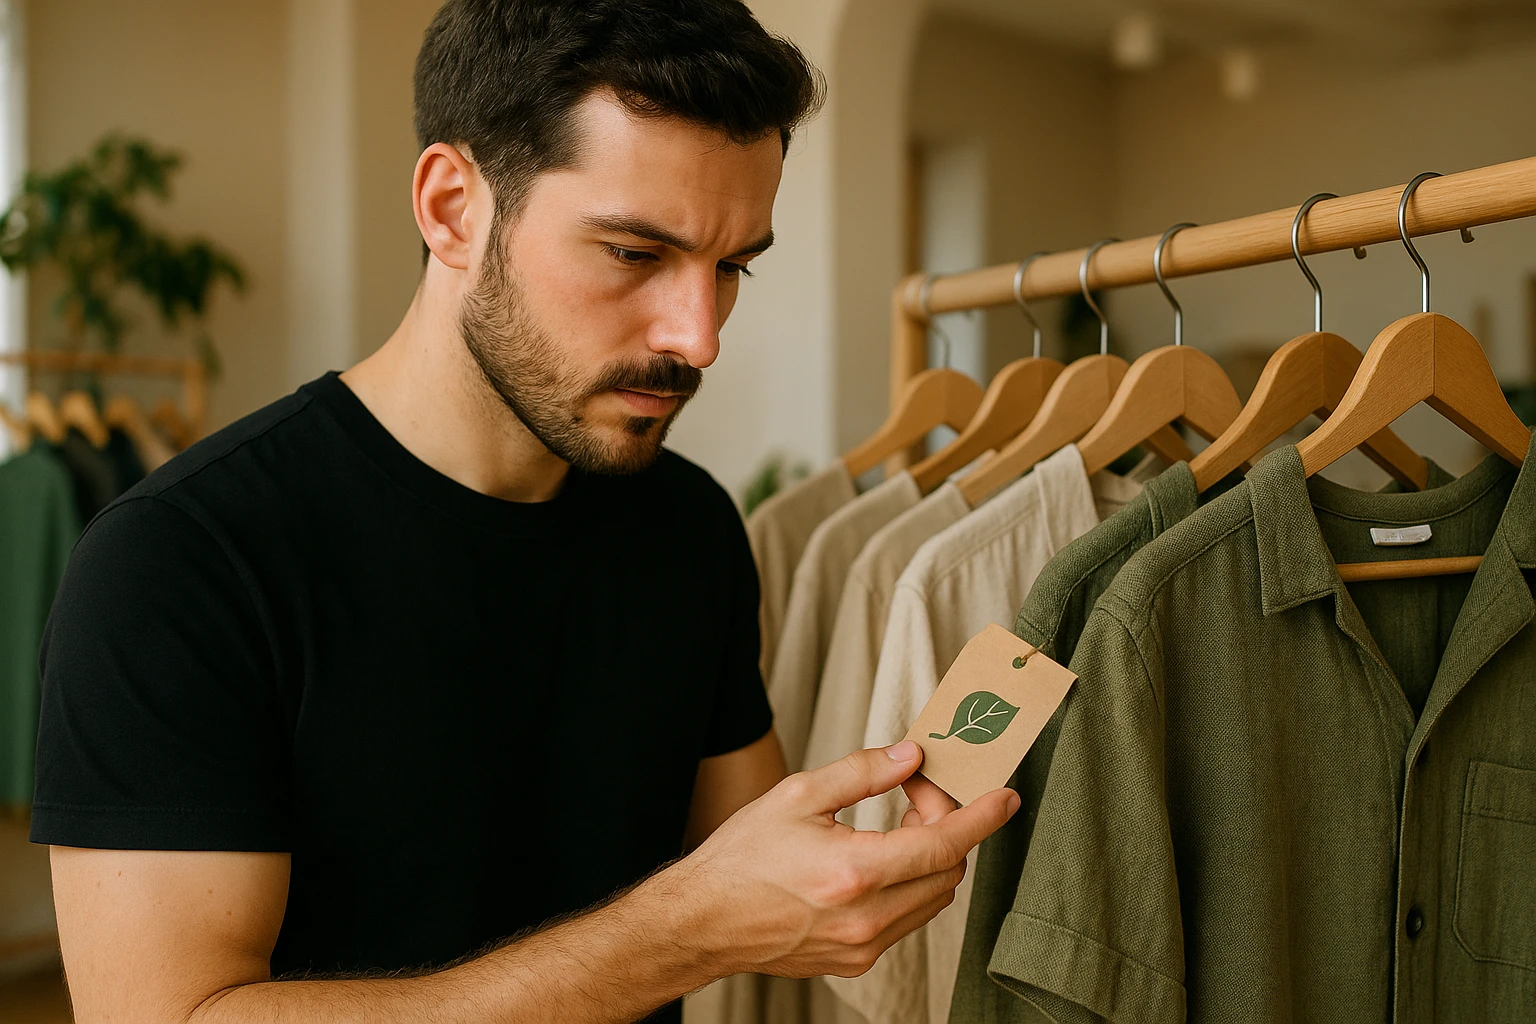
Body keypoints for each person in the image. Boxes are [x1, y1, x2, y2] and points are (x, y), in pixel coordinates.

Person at [30, 1, 1019, 1022]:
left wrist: (887, 847)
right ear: (454, 207)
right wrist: (677, 933)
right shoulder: (179, 563)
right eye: (635, 254)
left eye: (731, 268)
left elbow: (751, 864)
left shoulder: (687, 523)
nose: (698, 336)